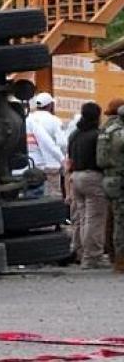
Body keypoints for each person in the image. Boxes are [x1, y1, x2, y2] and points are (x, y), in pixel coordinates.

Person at [66, 102, 108, 269]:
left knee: (82, 218)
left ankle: (80, 252)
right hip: (93, 177)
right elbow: (102, 159)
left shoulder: (75, 134)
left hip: (76, 177)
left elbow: (69, 157)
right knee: (94, 219)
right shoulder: (97, 135)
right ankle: (92, 258)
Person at [97, 102, 124, 273]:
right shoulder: (121, 134)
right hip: (121, 179)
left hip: (109, 178)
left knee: (114, 219)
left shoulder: (107, 130)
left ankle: (116, 258)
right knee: (121, 222)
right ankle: (120, 261)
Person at [28, 92, 66, 197]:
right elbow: (62, 143)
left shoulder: (28, 118)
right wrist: (62, 159)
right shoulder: (55, 120)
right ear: (50, 105)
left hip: (32, 165)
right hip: (51, 165)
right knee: (54, 196)